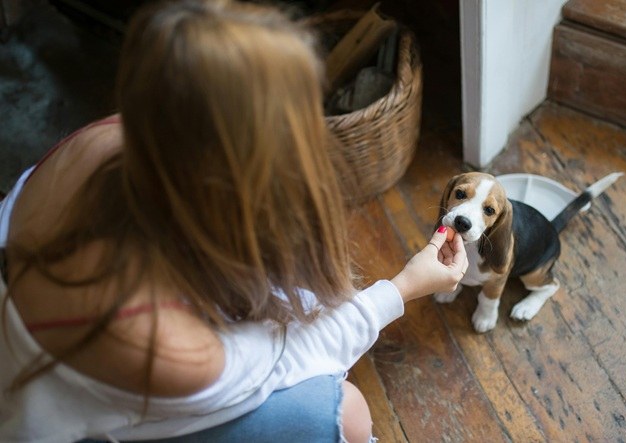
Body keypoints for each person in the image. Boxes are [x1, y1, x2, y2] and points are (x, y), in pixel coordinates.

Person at [0, 0, 468, 441]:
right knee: (343, 411)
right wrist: (404, 286)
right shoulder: (172, 349)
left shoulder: (124, 135)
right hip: (69, 411)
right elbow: (300, 356)